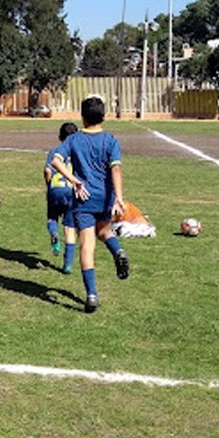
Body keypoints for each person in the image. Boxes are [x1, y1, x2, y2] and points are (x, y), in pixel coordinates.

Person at [51, 96, 130, 313]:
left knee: (87, 245)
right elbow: (116, 169)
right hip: (105, 198)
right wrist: (119, 198)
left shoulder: (74, 139)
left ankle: (92, 294)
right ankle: (118, 251)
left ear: (82, 117)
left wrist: (74, 180)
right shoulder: (111, 140)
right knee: (104, 231)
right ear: (103, 117)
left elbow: (56, 160)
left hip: (83, 198)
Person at [45, 122, 80, 271]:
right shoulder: (79, 153)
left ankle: (54, 233)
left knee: (52, 218)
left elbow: (47, 171)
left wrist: (48, 186)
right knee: (70, 227)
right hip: (71, 191)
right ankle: (68, 264)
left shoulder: (54, 152)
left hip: (55, 189)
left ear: (60, 137)